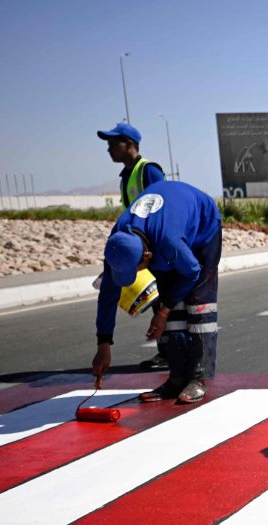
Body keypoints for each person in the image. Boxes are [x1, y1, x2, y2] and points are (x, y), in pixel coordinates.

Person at [91, 181, 222, 404]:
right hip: (165, 230)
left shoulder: (169, 242)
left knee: (199, 305)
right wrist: (103, 345)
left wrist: (162, 313)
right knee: (168, 307)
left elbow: (191, 272)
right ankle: (178, 377)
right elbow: (107, 295)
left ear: (147, 257)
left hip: (203, 228)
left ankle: (198, 378)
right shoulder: (118, 244)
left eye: (137, 270)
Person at [97, 121, 169, 371]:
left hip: (155, 247)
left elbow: (163, 206)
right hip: (140, 246)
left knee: (165, 300)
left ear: (129, 145)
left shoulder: (148, 170)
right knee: (154, 300)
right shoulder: (126, 176)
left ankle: (172, 352)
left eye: (112, 144)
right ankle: (167, 351)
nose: (108, 150)